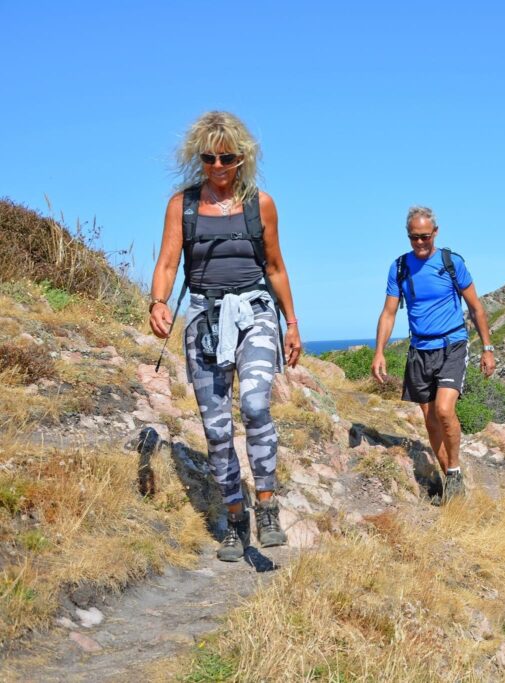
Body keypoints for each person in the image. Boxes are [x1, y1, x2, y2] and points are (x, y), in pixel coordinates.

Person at [149, 111, 301, 562]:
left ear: (242, 158)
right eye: (209, 157)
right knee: (217, 431)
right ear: (199, 158)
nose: (217, 166)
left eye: (226, 157)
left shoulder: (261, 204)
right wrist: (157, 303)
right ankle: (236, 520)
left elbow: (275, 266)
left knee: (255, 405)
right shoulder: (183, 205)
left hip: (254, 312)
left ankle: (267, 507)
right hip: (203, 318)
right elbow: (167, 261)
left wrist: (292, 323)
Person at [371, 206, 495, 504]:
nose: (420, 243)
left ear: (435, 233)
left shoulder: (451, 263)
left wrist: (488, 348)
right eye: (414, 238)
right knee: (429, 421)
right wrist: (379, 352)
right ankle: (452, 482)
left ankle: (453, 471)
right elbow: (389, 313)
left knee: (443, 410)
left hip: (452, 345)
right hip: (420, 350)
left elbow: (476, 307)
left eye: (425, 237)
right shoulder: (399, 267)